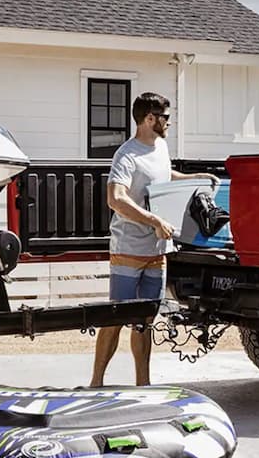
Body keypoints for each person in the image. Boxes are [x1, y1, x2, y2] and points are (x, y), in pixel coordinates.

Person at [89, 92, 218, 387]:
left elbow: (161, 176)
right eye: (166, 118)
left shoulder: (160, 147)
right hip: (128, 249)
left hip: (157, 250)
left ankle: (143, 386)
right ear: (150, 119)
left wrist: (193, 177)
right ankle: (96, 383)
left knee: (145, 320)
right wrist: (154, 221)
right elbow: (115, 198)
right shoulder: (126, 154)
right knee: (116, 317)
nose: (169, 123)